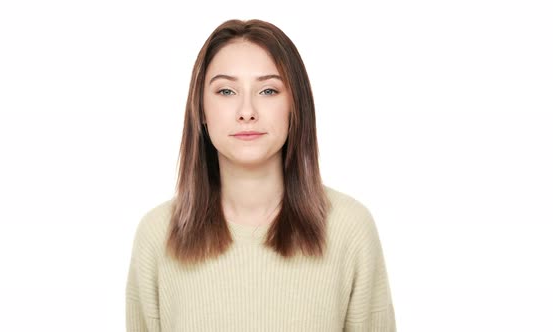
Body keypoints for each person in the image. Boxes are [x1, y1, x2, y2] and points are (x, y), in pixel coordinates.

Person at [125, 18, 396, 331]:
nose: (247, 111)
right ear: (200, 108)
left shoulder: (350, 229)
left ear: (295, 105)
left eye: (268, 90)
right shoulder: (158, 235)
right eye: (226, 91)